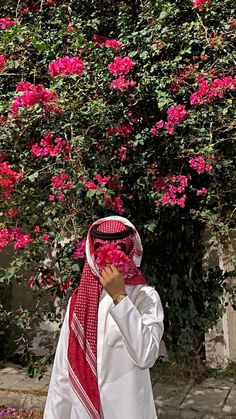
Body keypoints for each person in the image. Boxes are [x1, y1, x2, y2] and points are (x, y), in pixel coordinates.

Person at [43, 215, 164, 419]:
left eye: (119, 248)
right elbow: (63, 370)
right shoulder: (79, 300)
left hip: (128, 410)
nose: (110, 256)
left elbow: (146, 356)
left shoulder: (146, 297)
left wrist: (120, 297)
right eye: (101, 248)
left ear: (130, 250)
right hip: (81, 410)